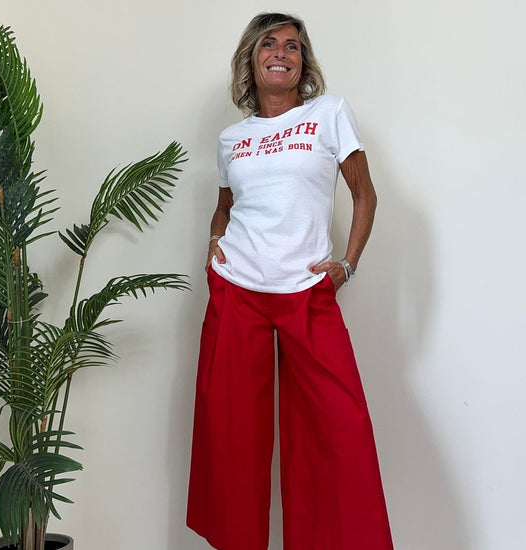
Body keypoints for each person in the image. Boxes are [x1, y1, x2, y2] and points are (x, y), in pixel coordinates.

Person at [187, 12, 394, 550]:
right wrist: (214, 249)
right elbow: (224, 208)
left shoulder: (329, 113)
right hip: (238, 291)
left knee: (339, 430)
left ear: (304, 62)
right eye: (269, 44)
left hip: (307, 292)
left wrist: (347, 264)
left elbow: (365, 194)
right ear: (251, 60)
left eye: (293, 46)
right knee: (231, 435)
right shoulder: (232, 138)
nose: (281, 53)